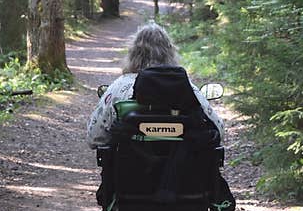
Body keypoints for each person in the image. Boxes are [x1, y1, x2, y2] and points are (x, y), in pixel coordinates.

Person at [86, 22, 225, 149]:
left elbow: (94, 138)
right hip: (183, 173)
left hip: (128, 172)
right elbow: (218, 132)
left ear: (134, 53)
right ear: (169, 52)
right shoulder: (187, 88)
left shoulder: (118, 89)